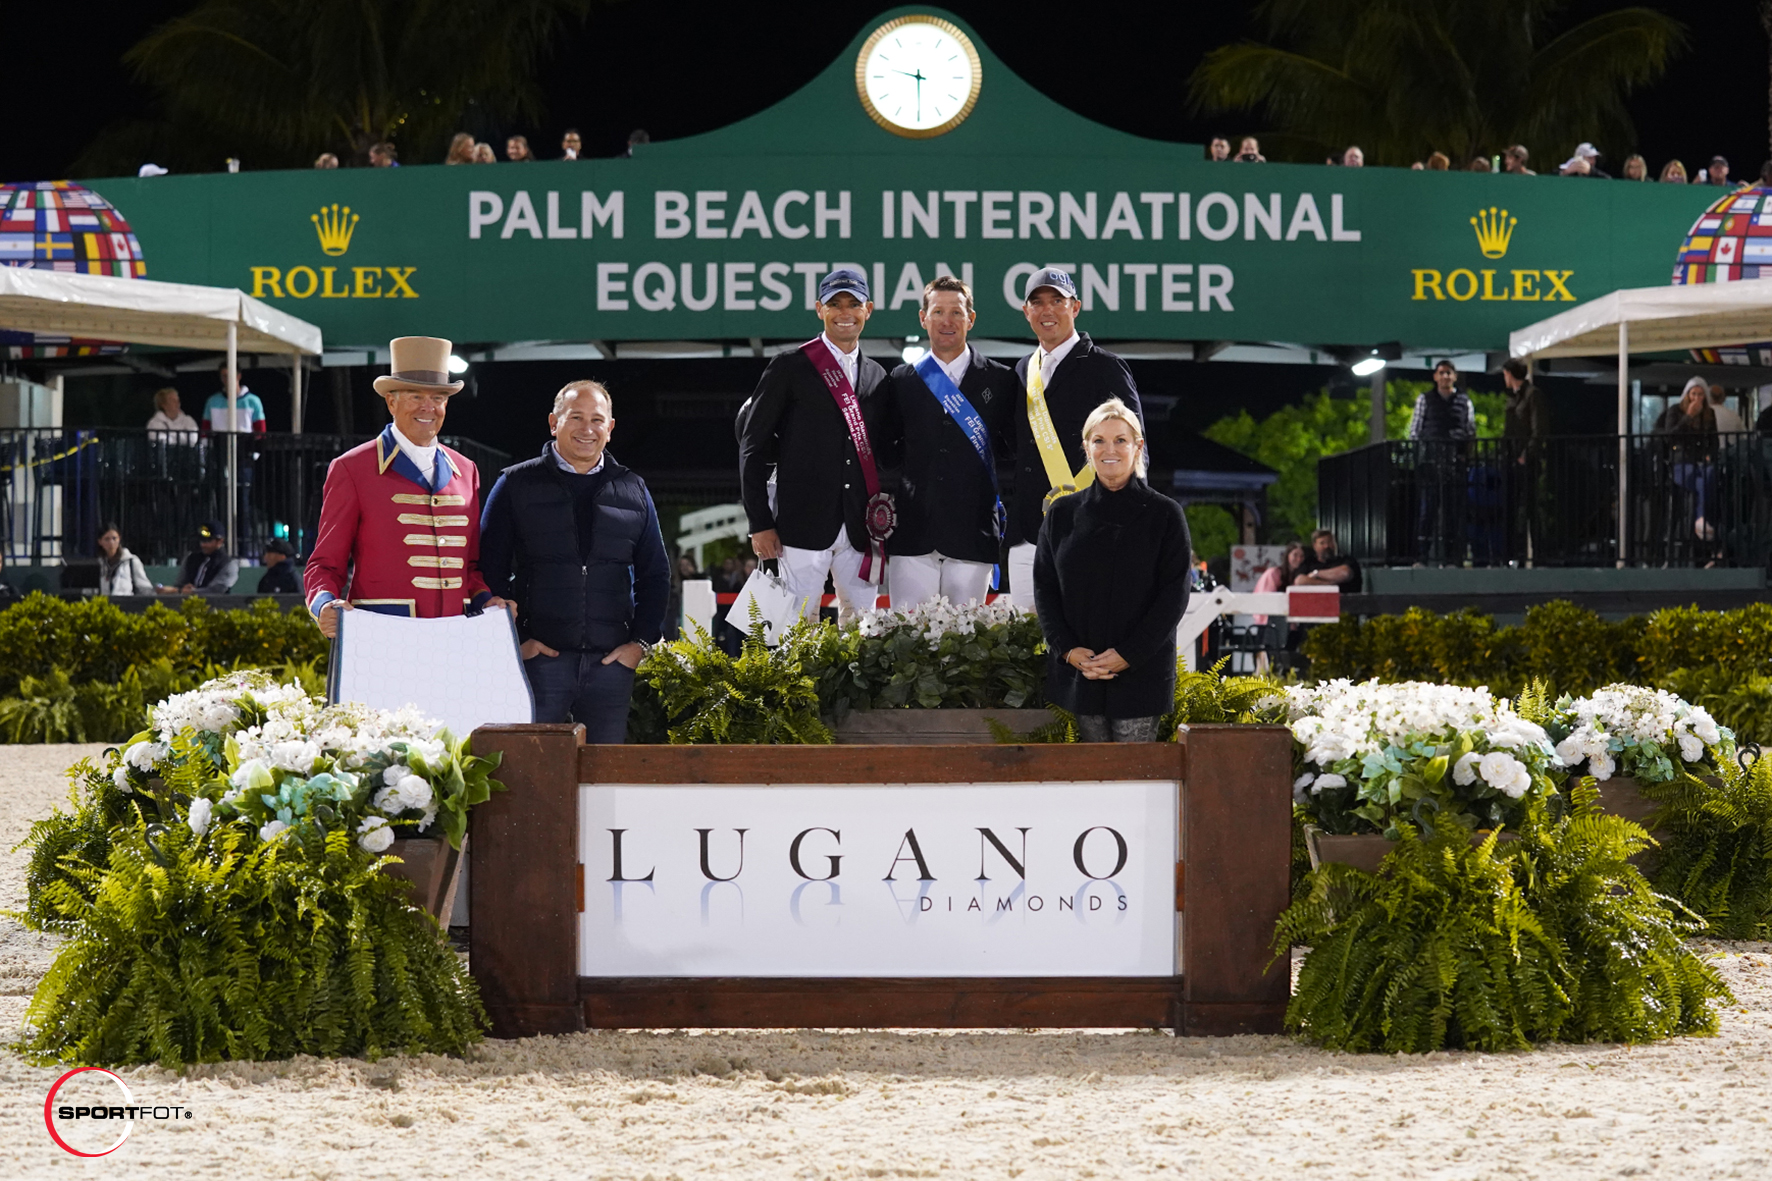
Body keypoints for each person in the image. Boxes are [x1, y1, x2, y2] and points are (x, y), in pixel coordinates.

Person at [479, 381, 669, 741]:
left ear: (610, 429)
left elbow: (656, 574)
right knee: (532, 774)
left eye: (597, 420)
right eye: (576, 417)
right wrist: (517, 643)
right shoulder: (515, 484)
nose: (587, 429)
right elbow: (489, 569)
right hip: (537, 664)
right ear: (554, 422)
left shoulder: (633, 488)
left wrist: (640, 644)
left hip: (612, 667)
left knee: (606, 780)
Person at [306, 336, 507, 637]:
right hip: (380, 638)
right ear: (391, 401)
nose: (428, 407)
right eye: (415, 396)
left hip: (456, 638)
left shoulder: (466, 471)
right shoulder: (352, 468)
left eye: (438, 398)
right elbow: (324, 564)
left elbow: (470, 567)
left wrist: (485, 600)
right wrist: (323, 604)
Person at [739, 267, 893, 626]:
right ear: (818, 309)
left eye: (853, 304)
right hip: (798, 526)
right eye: (834, 304)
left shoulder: (878, 377)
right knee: (788, 634)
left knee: (862, 634)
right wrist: (759, 522)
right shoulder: (789, 367)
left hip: (860, 528)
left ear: (867, 309)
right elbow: (752, 446)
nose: (844, 313)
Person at [1033, 399, 1189, 743]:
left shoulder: (1165, 514)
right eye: (1099, 440)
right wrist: (1068, 650)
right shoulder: (1061, 514)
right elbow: (1044, 587)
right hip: (1079, 674)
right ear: (1086, 448)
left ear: (1138, 447)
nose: (1110, 450)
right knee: (1089, 786)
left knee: (1132, 782)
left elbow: (1174, 594)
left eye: (1120, 440)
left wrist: (1128, 655)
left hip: (1142, 674)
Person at [1006, 268, 1142, 610]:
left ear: (1075, 307)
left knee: (1086, 641)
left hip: (1089, 529)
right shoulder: (1022, 370)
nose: (1047, 310)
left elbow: (1136, 449)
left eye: (1057, 301)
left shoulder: (1106, 367)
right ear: (1026, 312)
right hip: (1027, 536)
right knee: (1026, 649)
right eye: (1037, 302)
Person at [882, 276, 1017, 608]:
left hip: (973, 533)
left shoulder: (1001, 380)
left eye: (956, 312)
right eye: (938, 311)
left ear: (971, 319)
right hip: (912, 533)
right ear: (922, 318)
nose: (947, 321)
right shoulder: (901, 381)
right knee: (908, 643)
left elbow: (1009, 449)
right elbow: (887, 452)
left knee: (967, 647)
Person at [161, 520, 239, 595]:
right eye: (202, 540)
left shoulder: (228, 563)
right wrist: (178, 590)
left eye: (208, 540)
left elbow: (217, 590)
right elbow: (180, 584)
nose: (203, 545)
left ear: (220, 541)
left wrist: (192, 592)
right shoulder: (191, 559)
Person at [1408, 359, 1476, 441]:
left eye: (1448, 373)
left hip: (1457, 450)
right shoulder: (1424, 399)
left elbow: (1470, 429)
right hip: (1430, 450)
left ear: (1455, 377)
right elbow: (1416, 428)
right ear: (1435, 377)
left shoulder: (1465, 401)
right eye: (1441, 373)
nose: (1445, 376)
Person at [1295, 529, 1363, 593]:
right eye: (1322, 543)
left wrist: (1316, 574)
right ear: (1314, 546)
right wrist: (1330, 585)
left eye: (1330, 542)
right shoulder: (1309, 562)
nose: (1326, 546)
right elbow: (1300, 581)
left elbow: (1345, 573)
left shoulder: (1346, 559)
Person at [202, 370, 267, 435]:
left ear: (239, 376)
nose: (227, 379)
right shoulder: (212, 401)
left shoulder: (253, 400)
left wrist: (260, 443)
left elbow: (260, 429)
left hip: (246, 443)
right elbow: (206, 427)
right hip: (219, 443)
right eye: (224, 376)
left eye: (230, 375)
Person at [96, 522, 152, 596]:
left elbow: (145, 588)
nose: (111, 543)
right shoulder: (98, 563)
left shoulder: (131, 561)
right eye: (107, 539)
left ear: (119, 539)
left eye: (114, 538)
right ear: (100, 542)